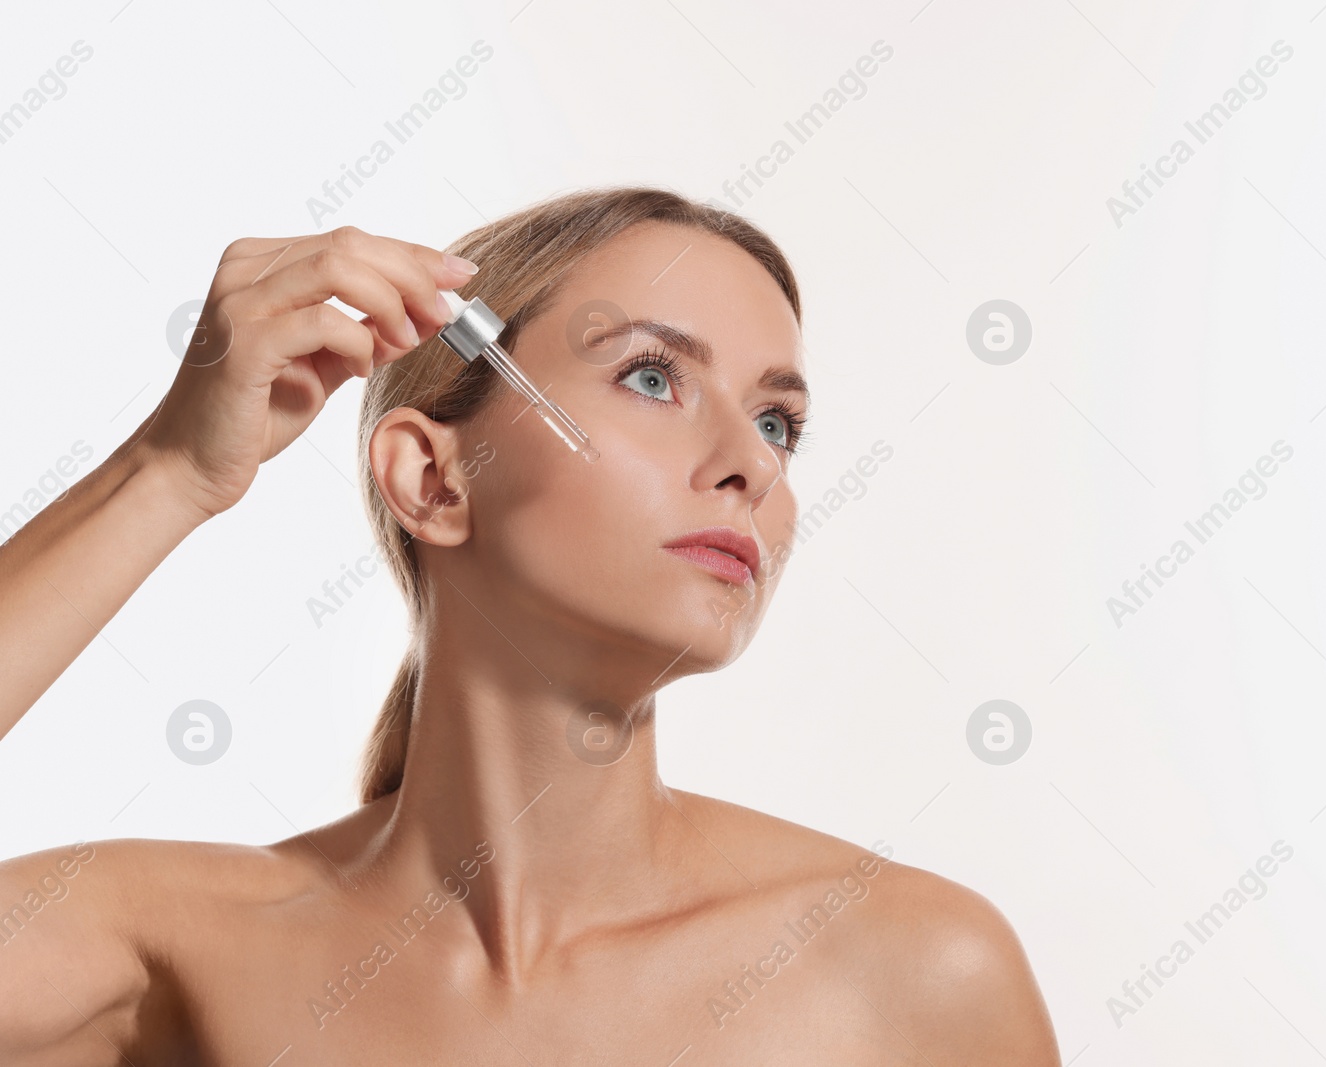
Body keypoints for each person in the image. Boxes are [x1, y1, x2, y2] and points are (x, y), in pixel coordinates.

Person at [0, 186, 1060, 1063]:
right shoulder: (184, 950)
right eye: (653, 376)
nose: (751, 461)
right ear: (432, 477)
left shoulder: (914, 971)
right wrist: (169, 472)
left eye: (778, 419)